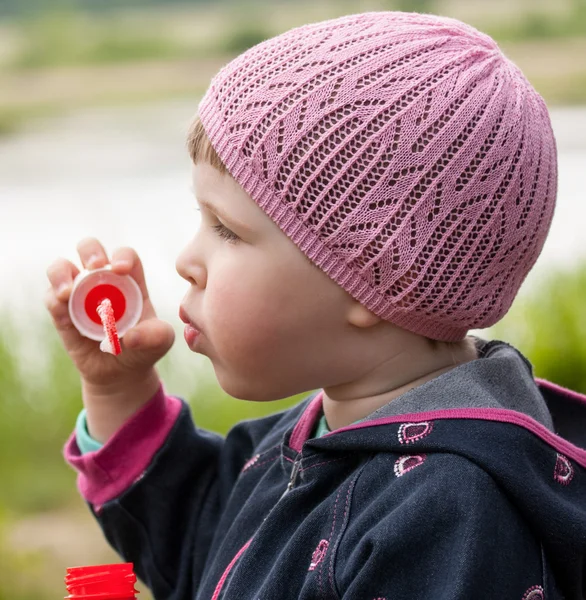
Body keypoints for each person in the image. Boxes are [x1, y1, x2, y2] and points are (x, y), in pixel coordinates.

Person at [45, 11, 586, 599]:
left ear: (374, 277)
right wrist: (118, 391)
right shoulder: (313, 437)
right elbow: (195, 541)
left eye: (226, 229)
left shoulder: (448, 513)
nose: (185, 260)